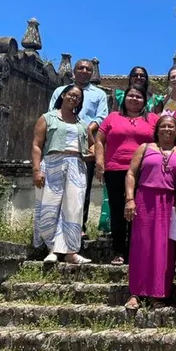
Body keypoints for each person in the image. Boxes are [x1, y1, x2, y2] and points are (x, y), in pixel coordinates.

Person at [95, 85, 159, 265]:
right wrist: (100, 162)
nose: (134, 99)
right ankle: (118, 251)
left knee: (140, 212)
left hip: (144, 171)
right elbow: (99, 140)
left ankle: (136, 251)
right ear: (124, 98)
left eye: (139, 97)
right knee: (118, 211)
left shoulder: (153, 119)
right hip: (115, 169)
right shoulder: (113, 117)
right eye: (131, 95)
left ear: (145, 101)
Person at [123, 114, 176, 310]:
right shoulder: (145, 148)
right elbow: (131, 173)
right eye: (163, 126)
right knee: (142, 245)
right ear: (157, 130)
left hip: (169, 201)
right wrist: (130, 199)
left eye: (171, 127)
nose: (167, 129)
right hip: (145, 199)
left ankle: (159, 293)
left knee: (165, 248)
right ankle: (136, 293)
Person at [32, 84, 92, 264]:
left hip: (76, 165)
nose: (74, 99)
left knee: (74, 207)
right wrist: (36, 170)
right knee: (50, 206)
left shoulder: (81, 123)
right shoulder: (47, 118)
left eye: (78, 97)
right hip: (52, 163)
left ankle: (71, 251)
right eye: (71, 95)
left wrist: (92, 153)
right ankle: (52, 249)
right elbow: (37, 144)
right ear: (63, 95)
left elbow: (94, 144)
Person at [48, 58, 108, 235]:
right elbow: (51, 112)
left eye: (88, 69)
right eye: (80, 68)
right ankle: (54, 226)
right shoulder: (60, 91)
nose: (84, 71)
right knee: (57, 187)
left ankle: (79, 227)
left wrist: (86, 129)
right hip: (60, 142)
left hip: (86, 143)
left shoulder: (99, 94)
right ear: (74, 71)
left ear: (92, 72)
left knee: (83, 187)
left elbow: (102, 116)